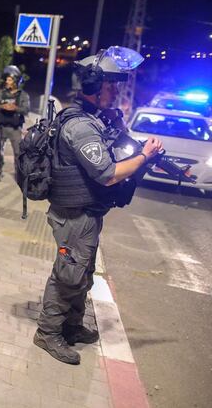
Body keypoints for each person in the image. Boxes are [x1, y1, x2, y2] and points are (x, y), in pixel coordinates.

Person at [33, 46, 163, 365]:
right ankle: (48, 333)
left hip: (87, 213)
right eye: (112, 86)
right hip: (72, 215)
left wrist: (129, 138)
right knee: (68, 275)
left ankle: (72, 326)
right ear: (94, 87)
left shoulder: (96, 119)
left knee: (83, 272)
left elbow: (118, 148)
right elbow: (106, 174)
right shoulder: (80, 127)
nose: (117, 92)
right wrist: (143, 156)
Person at [0, 65, 30, 182]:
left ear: (16, 81)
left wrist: (14, 108)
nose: (7, 81)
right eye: (6, 79)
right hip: (1, 127)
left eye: (10, 79)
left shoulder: (22, 95)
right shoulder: (2, 94)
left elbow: (26, 109)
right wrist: (2, 106)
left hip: (15, 129)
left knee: (18, 152)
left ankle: (18, 174)